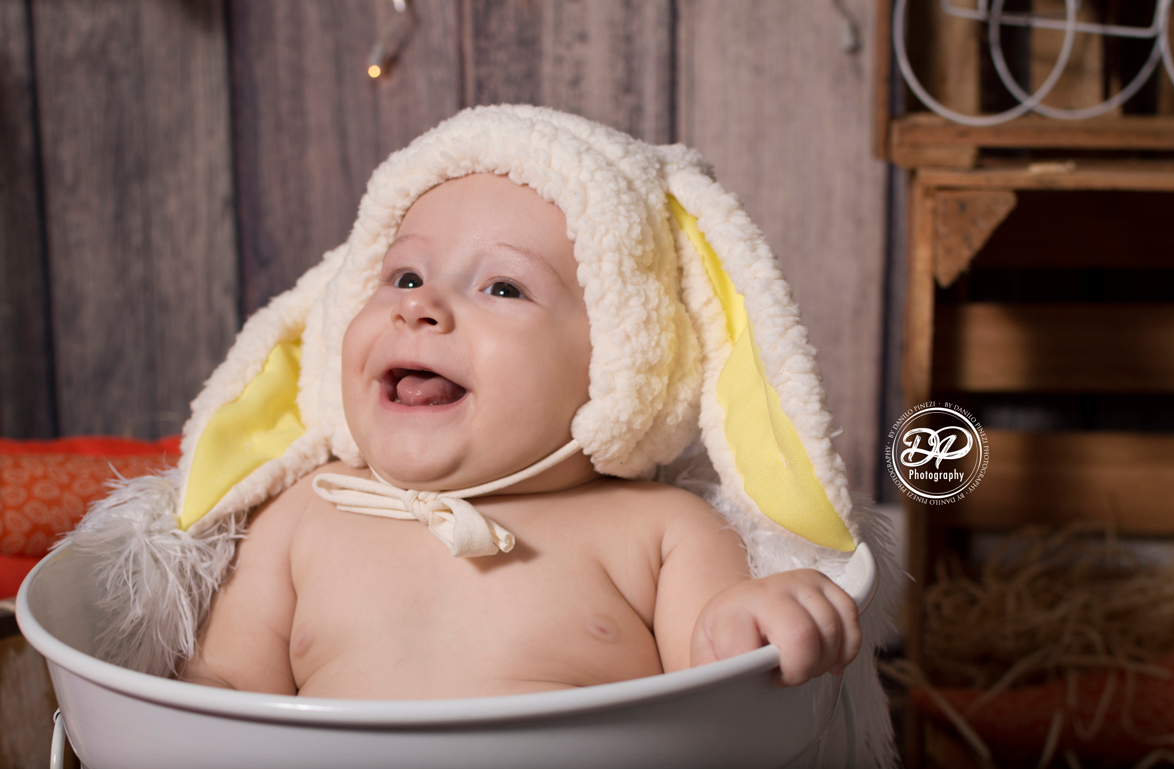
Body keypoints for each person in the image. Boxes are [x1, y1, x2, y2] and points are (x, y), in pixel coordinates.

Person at [178, 171, 862, 699]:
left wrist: (758, 612)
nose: (419, 305)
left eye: (503, 287)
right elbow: (221, 698)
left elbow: (716, 697)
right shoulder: (303, 511)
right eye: (405, 276)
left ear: (619, 364)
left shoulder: (660, 530)